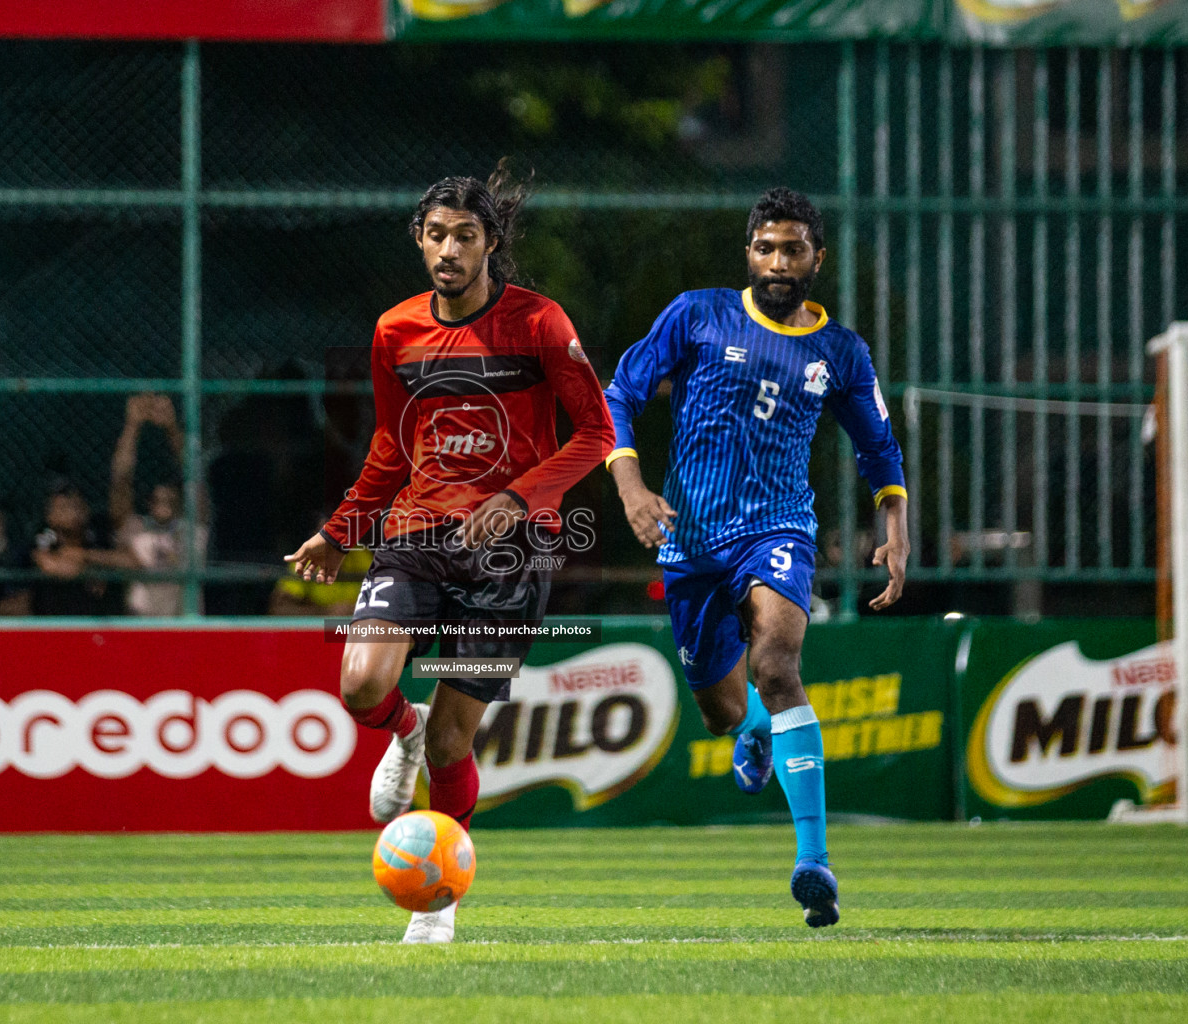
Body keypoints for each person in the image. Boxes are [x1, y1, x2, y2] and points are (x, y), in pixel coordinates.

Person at [284, 163, 615, 944]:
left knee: (454, 743)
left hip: (510, 554)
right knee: (361, 685)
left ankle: (440, 903)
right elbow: (389, 448)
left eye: (465, 235)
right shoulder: (395, 331)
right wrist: (341, 533)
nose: (449, 249)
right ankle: (401, 727)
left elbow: (597, 434)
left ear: (491, 243)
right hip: (413, 537)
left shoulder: (539, 323)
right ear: (420, 242)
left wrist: (518, 499)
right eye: (436, 235)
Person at [604, 187, 908, 928]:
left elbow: (879, 447)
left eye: (793, 248)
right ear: (748, 253)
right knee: (722, 708)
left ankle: (815, 863)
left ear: (817, 258)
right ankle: (753, 732)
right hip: (691, 538)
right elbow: (619, 393)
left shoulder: (841, 351)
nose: (779, 261)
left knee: (777, 664)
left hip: (778, 528)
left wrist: (895, 526)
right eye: (766, 247)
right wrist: (633, 486)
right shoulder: (698, 315)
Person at [109, 393, 204, 616]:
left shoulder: (192, 530)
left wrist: (171, 427)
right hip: (141, 632)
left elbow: (194, 477)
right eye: (157, 499)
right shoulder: (136, 529)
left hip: (184, 629)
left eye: (171, 499)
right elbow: (120, 480)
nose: (164, 504)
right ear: (148, 502)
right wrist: (132, 426)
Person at [30, 482, 137, 616]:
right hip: (56, 619)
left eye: (77, 506)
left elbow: (131, 562)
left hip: (102, 619)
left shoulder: (98, 532)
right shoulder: (45, 535)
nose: (73, 513)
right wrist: (92, 571)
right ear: (50, 516)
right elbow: (53, 566)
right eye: (63, 508)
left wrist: (84, 555)